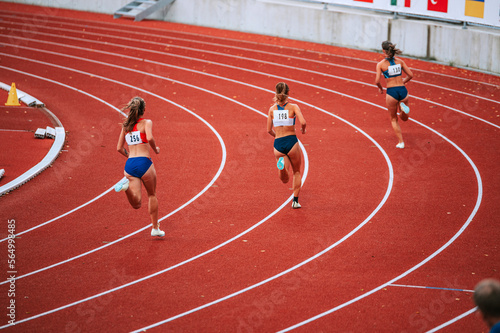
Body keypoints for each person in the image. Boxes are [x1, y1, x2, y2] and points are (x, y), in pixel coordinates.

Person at [115, 97, 164, 237]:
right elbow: (149, 138)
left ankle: (125, 189)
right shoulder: (146, 122)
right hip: (144, 163)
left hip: (130, 164)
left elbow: (119, 148)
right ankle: (155, 228)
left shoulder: (126, 126)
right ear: (143, 110)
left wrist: (131, 156)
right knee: (152, 195)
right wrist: (156, 149)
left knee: (136, 204)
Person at [267, 82, 306, 209]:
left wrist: (277, 136)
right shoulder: (293, 107)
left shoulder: (272, 109)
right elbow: (303, 122)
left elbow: (268, 130)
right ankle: (295, 201)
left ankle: (282, 167)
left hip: (278, 143)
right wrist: (303, 130)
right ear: (288, 93)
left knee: (284, 179)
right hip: (291, 141)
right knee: (296, 172)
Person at [375, 41, 414, 149]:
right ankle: (402, 109)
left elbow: (377, 81)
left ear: (383, 50)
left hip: (391, 92)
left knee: (393, 119)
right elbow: (410, 75)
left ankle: (401, 142)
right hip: (402, 90)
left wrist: (380, 88)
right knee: (405, 118)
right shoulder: (400, 61)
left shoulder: (381, 64)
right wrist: (404, 81)